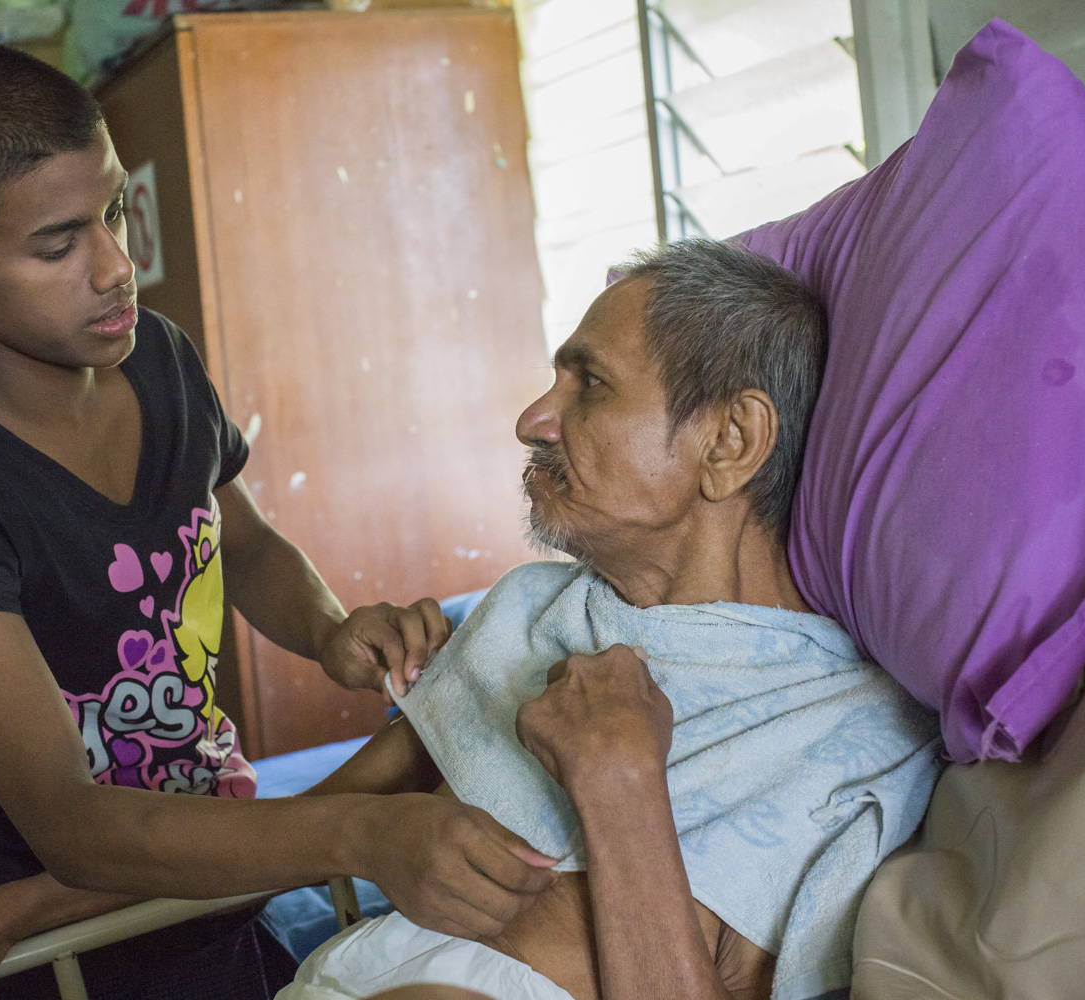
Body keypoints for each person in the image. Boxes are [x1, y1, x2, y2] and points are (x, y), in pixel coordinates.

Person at [0, 44, 556, 1000]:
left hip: (221, 884)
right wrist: (358, 830)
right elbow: (72, 825)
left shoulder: (159, 361)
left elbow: (238, 543)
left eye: (117, 211)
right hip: (56, 941)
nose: (118, 267)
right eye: (59, 243)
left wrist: (329, 630)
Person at [278, 239, 943, 1000]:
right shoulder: (533, 610)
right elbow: (309, 827)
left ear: (731, 442)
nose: (532, 419)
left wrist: (620, 783)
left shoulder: (850, 737)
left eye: (589, 384)